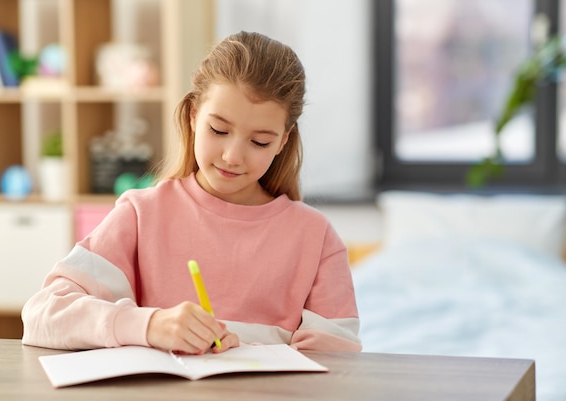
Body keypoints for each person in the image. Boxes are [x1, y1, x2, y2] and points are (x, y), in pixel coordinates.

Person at [21, 31, 362, 354]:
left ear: (283, 141)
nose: (232, 156)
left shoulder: (316, 239)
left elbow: (336, 364)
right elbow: (42, 315)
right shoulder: (141, 215)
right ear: (193, 115)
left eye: (260, 141)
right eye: (218, 129)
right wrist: (149, 325)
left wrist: (246, 350)